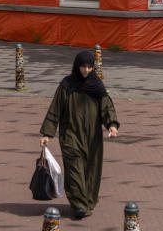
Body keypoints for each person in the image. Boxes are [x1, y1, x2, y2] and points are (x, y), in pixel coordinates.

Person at [40, 51, 119, 219]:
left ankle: (88, 202)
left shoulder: (97, 86)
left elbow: (107, 107)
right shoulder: (66, 85)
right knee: (74, 170)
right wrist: (48, 133)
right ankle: (79, 204)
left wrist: (111, 124)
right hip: (70, 136)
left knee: (91, 171)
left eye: (90, 67)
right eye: (83, 66)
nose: (86, 70)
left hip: (93, 138)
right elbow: (55, 109)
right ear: (77, 66)